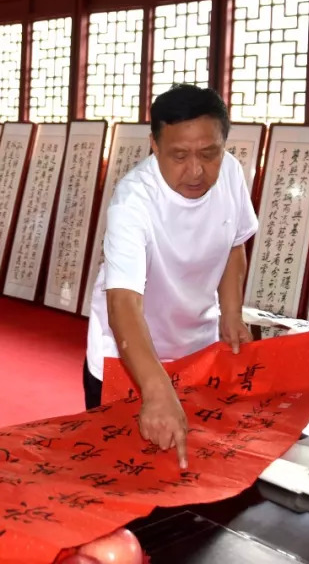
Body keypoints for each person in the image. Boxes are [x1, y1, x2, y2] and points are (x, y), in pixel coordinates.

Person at [84, 85, 258, 468]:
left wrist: (231, 312)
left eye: (209, 153)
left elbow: (235, 242)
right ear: (154, 145)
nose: (196, 170)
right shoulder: (133, 202)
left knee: (192, 472)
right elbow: (123, 302)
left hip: (197, 348)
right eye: (179, 155)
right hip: (129, 358)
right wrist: (155, 387)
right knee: (123, 473)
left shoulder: (228, 172)